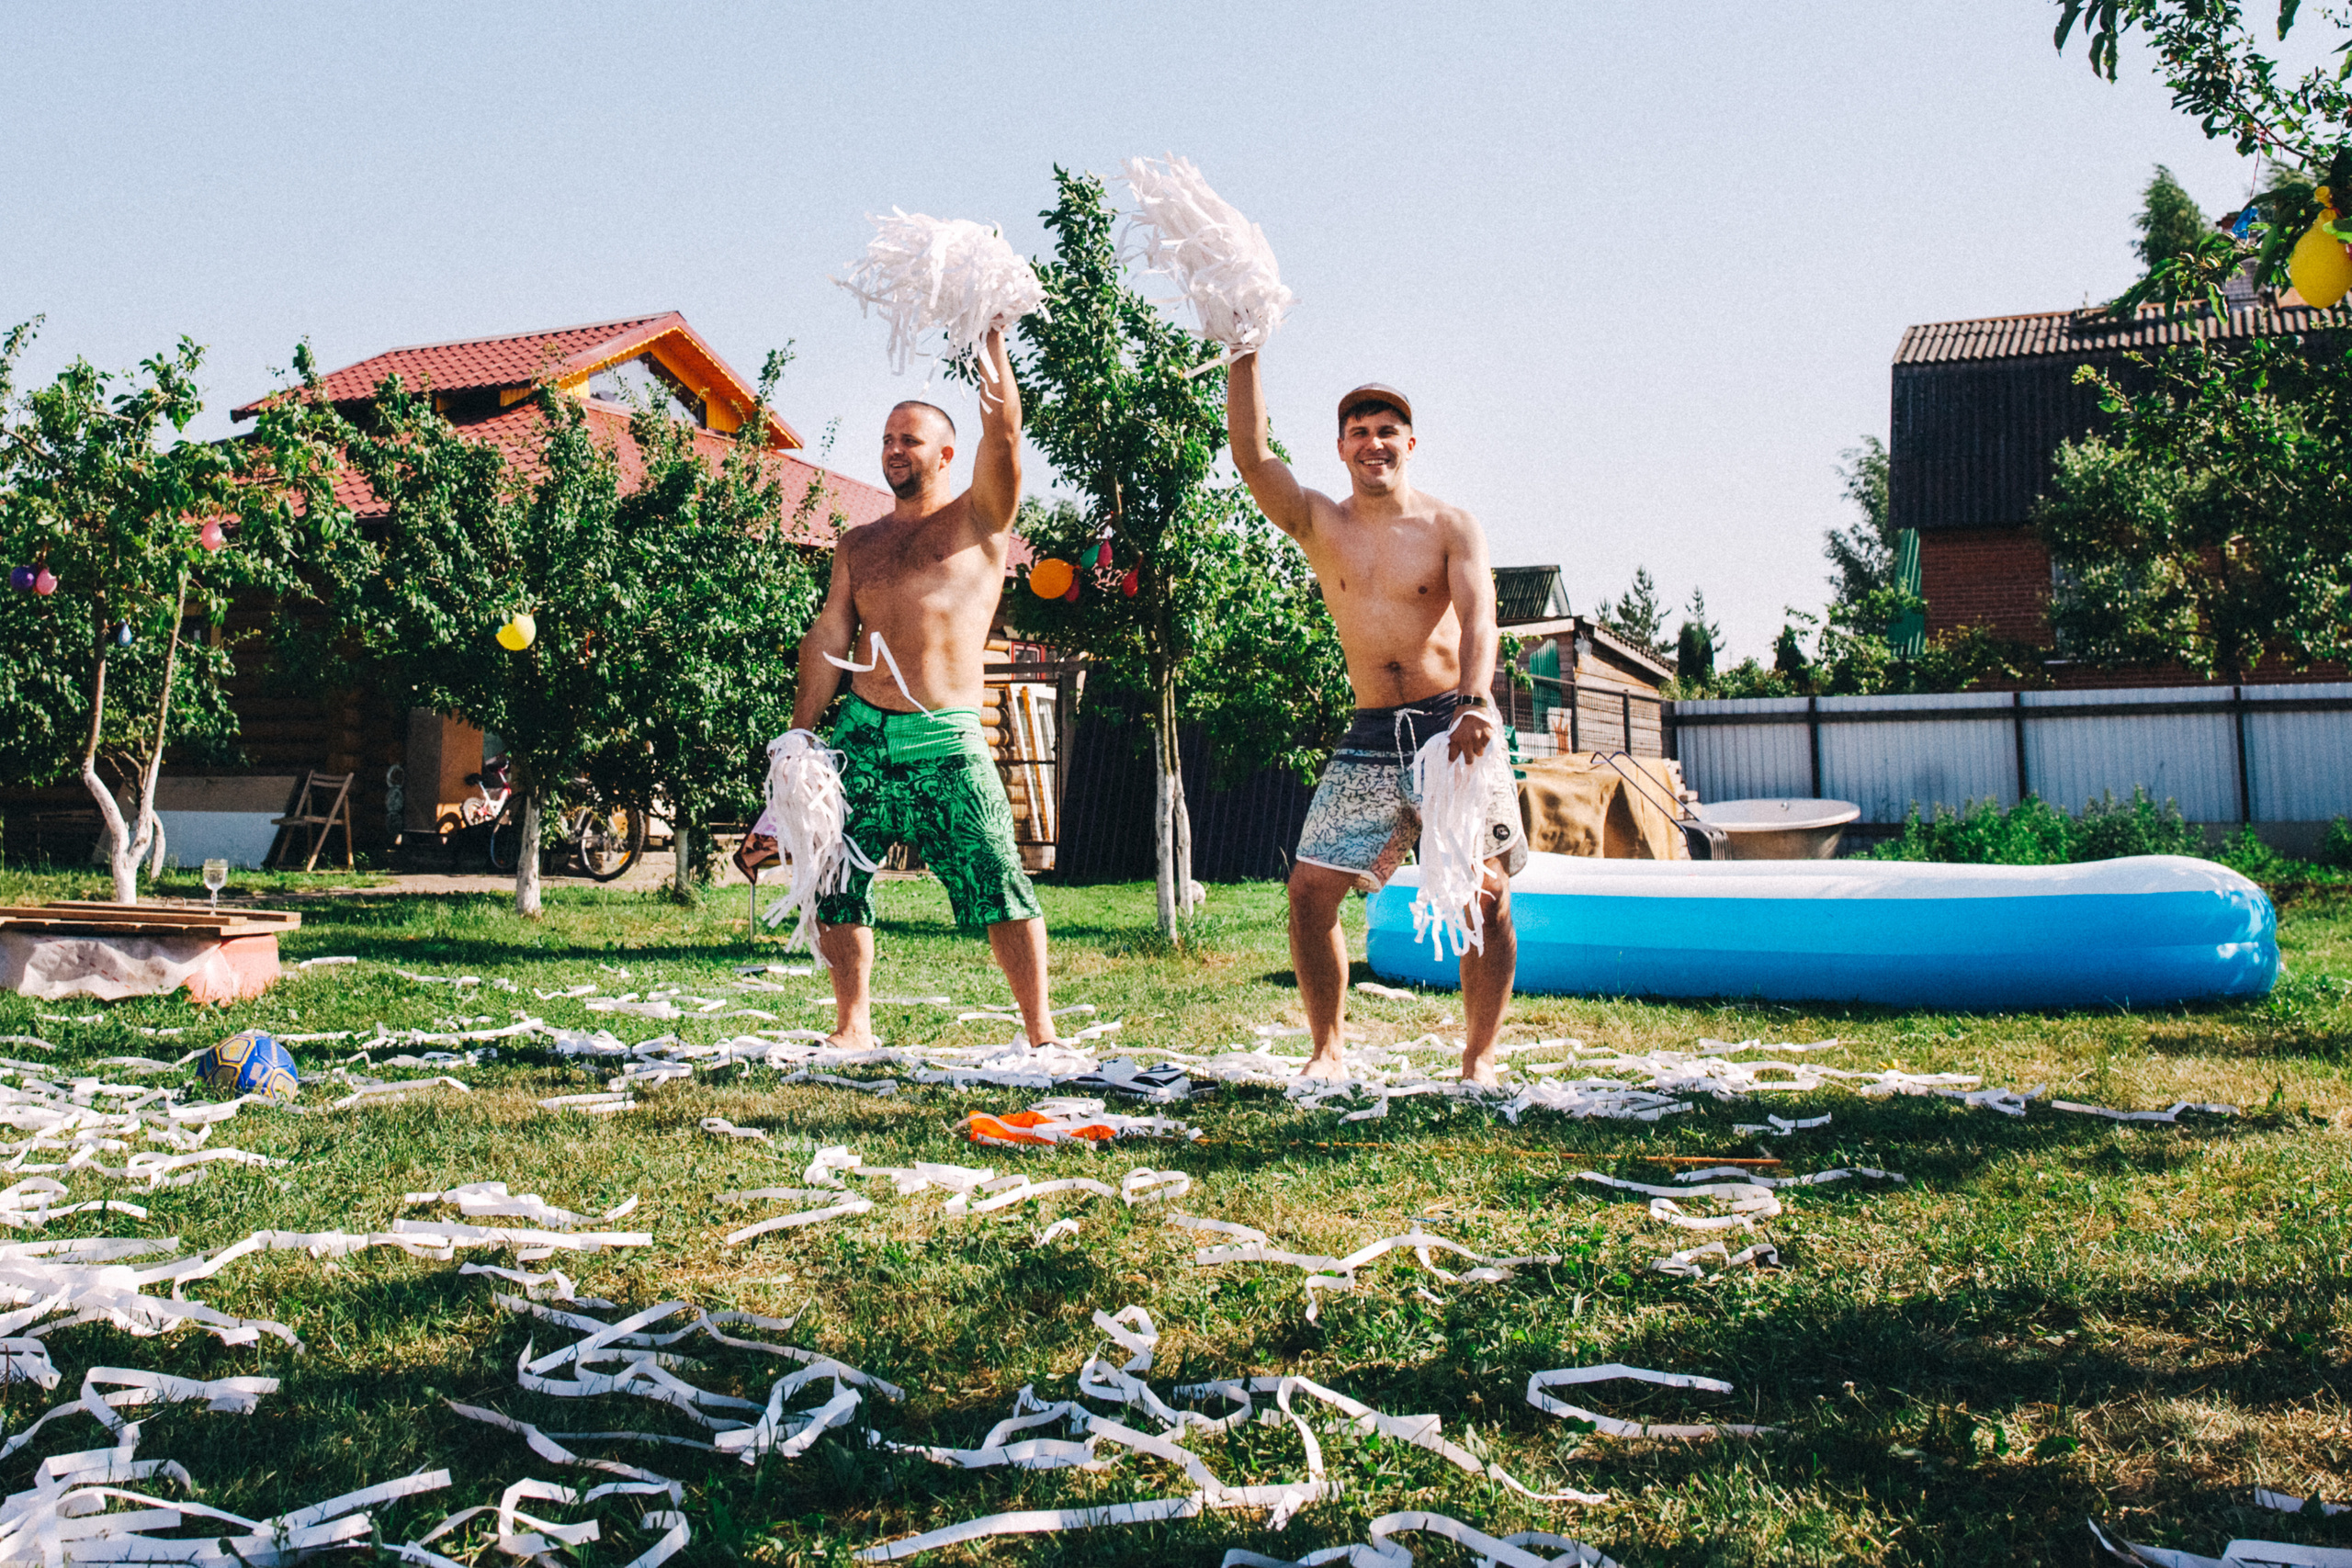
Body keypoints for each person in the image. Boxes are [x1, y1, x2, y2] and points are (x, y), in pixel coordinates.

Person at [1226, 355, 1526, 1085]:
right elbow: (1252, 455)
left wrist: (1476, 698)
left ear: (1410, 443)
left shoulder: (1450, 524)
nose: (1374, 442)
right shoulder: (1319, 521)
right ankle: (1327, 1051)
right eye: (1358, 431)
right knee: (1308, 891)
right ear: (1341, 449)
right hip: (1368, 736)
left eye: (1387, 430)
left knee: (1485, 895)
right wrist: (1246, 350)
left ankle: (1478, 1058)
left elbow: (1480, 614)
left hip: (1450, 727)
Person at [786, 328, 1057, 1050]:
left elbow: (1004, 427)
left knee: (997, 876)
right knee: (836, 879)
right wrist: (801, 734)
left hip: (944, 734)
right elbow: (829, 636)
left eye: (909, 439)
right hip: (863, 734)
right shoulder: (859, 544)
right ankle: (852, 1024)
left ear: (944, 453)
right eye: (885, 440)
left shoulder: (980, 518)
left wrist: (988, 341)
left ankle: (1040, 1032)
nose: (893, 450)